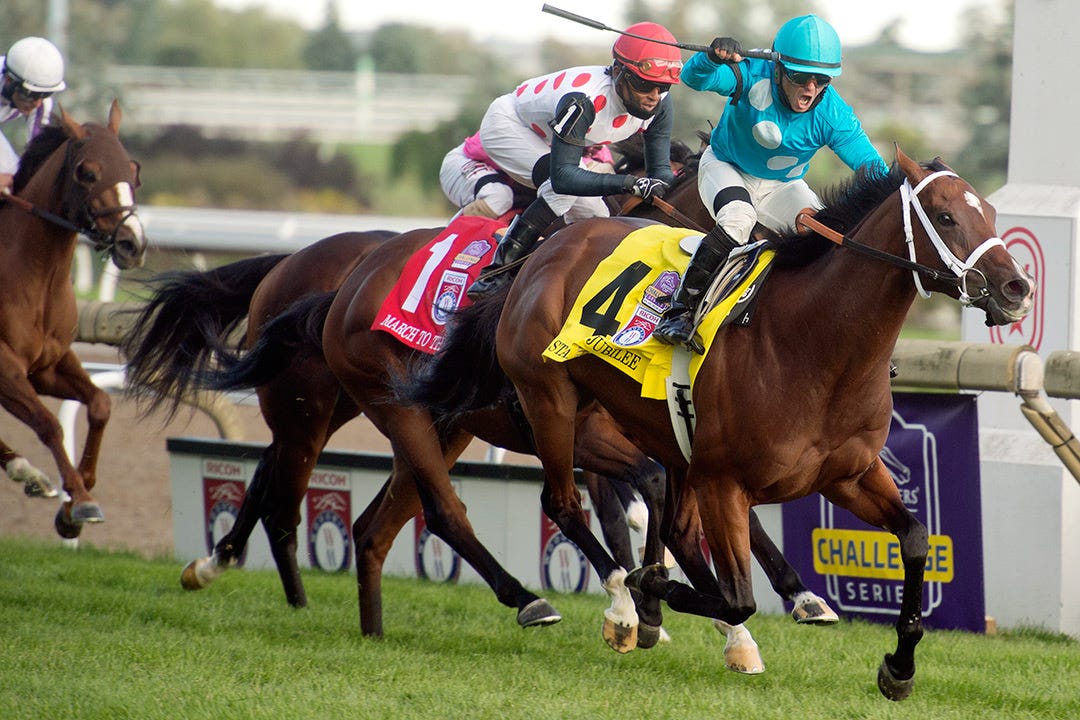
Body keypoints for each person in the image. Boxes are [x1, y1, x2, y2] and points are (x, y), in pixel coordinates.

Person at [651, 14, 888, 351]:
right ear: (778, 68)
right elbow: (693, 78)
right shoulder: (749, 73)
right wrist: (711, 58)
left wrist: (910, 187)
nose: (810, 89)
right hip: (727, 167)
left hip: (782, 187)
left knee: (826, 238)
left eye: (821, 79)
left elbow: (874, 170)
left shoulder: (833, 115)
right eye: (800, 76)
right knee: (738, 219)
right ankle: (680, 312)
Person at [465, 21, 682, 301]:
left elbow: (660, 172)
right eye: (644, 84)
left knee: (597, 216)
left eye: (663, 86)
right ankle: (495, 273)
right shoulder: (583, 100)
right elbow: (564, 178)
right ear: (618, 72)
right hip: (508, 127)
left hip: (549, 137)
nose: (654, 96)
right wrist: (630, 183)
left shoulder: (661, 103)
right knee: (562, 191)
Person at [0, 36, 66, 194]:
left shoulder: (41, 102)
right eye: (31, 94)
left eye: (45, 94)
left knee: (16, 178)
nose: (37, 103)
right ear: (9, 80)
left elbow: (39, 155)